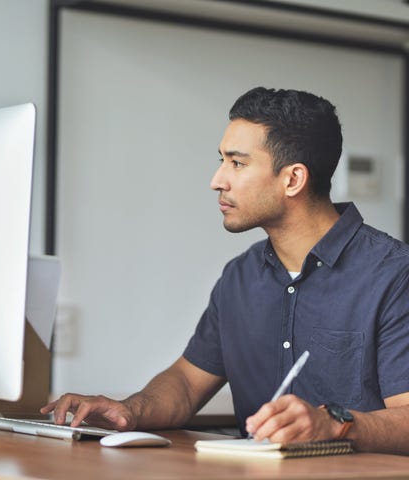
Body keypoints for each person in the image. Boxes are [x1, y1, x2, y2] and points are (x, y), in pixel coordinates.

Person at [41, 87, 409, 455]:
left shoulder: (394, 274)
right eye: (221, 160)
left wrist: (333, 423)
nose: (217, 180)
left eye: (237, 163)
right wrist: (129, 411)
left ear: (293, 179)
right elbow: (186, 383)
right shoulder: (240, 276)